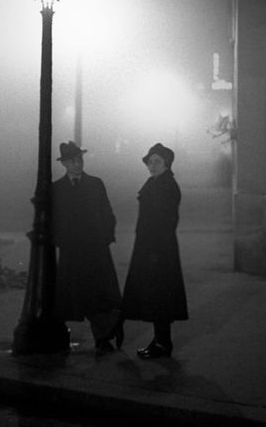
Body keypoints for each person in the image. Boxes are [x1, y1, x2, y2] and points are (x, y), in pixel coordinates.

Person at [51, 141, 123, 356]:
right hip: (72, 251)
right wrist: (61, 240)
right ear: (64, 163)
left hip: (95, 249)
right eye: (72, 160)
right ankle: (61, 335)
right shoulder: (57, 189)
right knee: (73, 295)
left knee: (100, 295)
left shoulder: (95, 184)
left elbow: (107, 212)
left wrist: (106, 237)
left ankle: (103, 337)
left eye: (79, 160)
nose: (77, 164)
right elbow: (54, 219)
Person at [121, 142, 188, 359]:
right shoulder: (156, 182)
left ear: (167, 164)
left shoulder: (167, 185)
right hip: (152, 248)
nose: (152, 165)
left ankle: (162, 343)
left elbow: (167, 221)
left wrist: (155, 251)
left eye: (157, 162)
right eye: (150, 162)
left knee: (160, 297)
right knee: (157, 297)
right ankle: (160, 341)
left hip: (158, 250)